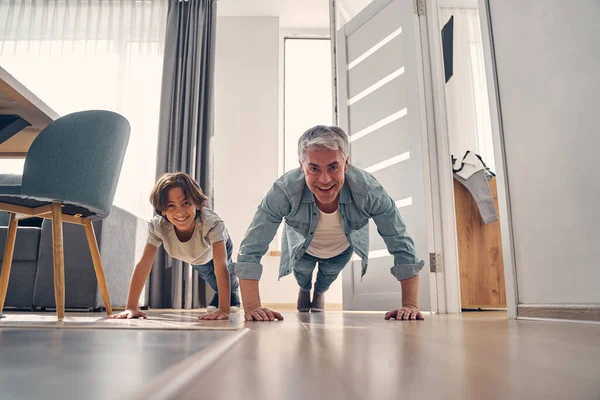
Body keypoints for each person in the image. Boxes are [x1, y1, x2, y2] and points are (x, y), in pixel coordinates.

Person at [231, 125, 425, 322]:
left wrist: (410, 305)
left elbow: (399, 240)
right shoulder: (284, 190)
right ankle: (305, 289)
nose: (325, 179)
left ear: (346, 163)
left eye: (333, 167)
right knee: (303, 275)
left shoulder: (369, 191)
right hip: (302, 250)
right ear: (301, 166)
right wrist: (252, 307)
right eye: (314, 168)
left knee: (327, 278)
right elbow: (252, 246)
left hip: (341, 250)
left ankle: (319, 293)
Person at [109, 172, 240, 321]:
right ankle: (221, 292)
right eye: (171, 206)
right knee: (210, 276)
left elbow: (220, 264)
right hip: (195, 254)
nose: (180, 211)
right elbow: (144, 263)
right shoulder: (159, 227)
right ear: (162, 210)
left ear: (196, 204)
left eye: (186, 203)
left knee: (224, 270)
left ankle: (233, 292)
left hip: (216, 244)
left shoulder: (212, 223)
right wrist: (131, 307)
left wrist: (224, 309)